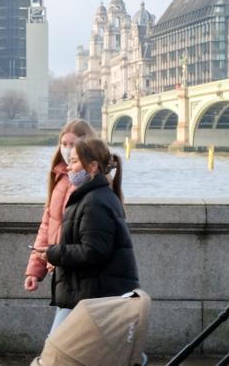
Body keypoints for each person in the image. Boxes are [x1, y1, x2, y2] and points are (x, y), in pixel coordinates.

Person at [38, 137, 139, 334]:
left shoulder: (93, 202)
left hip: (90, 295)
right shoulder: (96, 196)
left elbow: (93, 251)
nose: (68, 167)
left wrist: (53, 253)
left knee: (57, 350)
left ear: (92, 166)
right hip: (87, 292)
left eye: (74, 161)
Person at [24, 120, 95, 333]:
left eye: (72, 144)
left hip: (82, 275)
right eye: (63, 143)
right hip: (63, 271)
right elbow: (47, 226)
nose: (67, 149)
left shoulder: (91, 183)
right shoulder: (60, 178)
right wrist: (35, 271)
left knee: (58, 342)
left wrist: (57, 254)